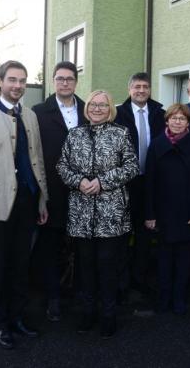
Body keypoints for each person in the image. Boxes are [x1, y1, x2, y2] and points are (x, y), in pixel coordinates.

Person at [0, 60, 49, 349]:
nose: (17, 85)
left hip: (27, 200)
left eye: (22, 81)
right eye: (12, 80)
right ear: (0, 82)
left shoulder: (30, 115)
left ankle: (17, 317)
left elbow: (36, 159)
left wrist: (42, 200)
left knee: (20, 264)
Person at [56, 90, 139, 339]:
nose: (97, 108)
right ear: (87, 107)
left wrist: (102, 182)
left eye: (103, 105)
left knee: (108, 268)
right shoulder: (75, 134)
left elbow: (132, 166)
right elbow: (61, 165)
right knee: (86, 268)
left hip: (111, 216)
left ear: (110, 109)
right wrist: (79, 181)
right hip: (81, 215)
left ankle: (108, 315)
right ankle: (88, 312)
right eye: (93, 104)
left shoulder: (120, 133)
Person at [32, 61, 88, 322]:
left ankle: (81, 293)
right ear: (53, 81)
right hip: (52, 190)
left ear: (76, 82)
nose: (65, 82)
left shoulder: (89, 110)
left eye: (69, 78)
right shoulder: (39, 112)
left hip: (85, 191)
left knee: (82, 247)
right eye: (60, 78)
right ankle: (53, 297)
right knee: (50, 248)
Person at [145, 104, 190, 315]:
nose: (177, 122)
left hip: (187, 212)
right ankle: (164, 298)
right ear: (167, 121)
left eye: (182, 119)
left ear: (189, 123)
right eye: (174, 118)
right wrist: (150, 214)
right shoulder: (156, 145)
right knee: (163, 259)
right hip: (163, 213)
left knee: (183, 259)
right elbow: (150, 183)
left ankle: (179, 298)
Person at [113, 72, 166, 298]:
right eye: (137, 87)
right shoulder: (117, 114)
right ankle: (121, 283)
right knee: (123, 234)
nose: (141, 90)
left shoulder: (159, 114)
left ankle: (140, 279)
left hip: (151, 182)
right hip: (125, 183)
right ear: (129, 89)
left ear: (150, 90)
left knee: (145, 234)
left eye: (145, 86)